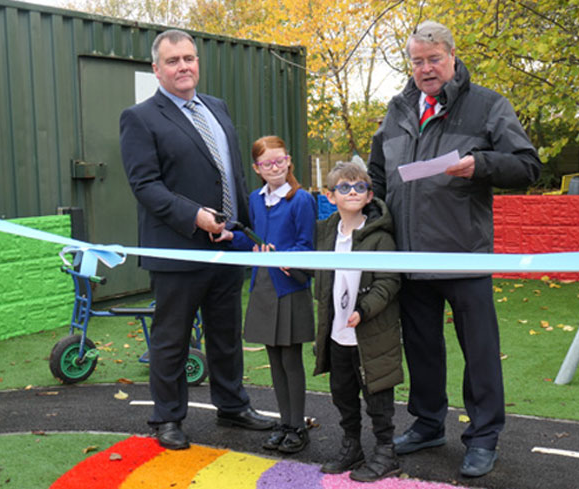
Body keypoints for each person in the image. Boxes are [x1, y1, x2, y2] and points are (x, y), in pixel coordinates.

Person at [367, 20, 541, 477]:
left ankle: (483, 437)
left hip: (463, 253)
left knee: (479, 352)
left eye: (434, 59)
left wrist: (479, 164)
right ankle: (427, 424)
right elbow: (378, 176)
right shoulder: (397, 108)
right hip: (409, 255)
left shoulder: (487, 105)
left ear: (452, 55)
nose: (426, 69)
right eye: (417, 61)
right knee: (422, 349)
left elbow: (528, 166)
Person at [120, 29, 276, 450]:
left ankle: (233, 405)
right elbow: (145, 186)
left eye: (189, 58)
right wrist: (196, 217)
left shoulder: (217, 108)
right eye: (173, 61)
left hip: (226, 246)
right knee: (173, 338)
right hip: (177, 248)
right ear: (157, 69)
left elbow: (232, 173)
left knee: (226, 333)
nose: (183, 66)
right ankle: (167, 418)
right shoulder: (140, 118)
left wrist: (243, 227)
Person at [313, 162, 404, 482]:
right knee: (343, 393)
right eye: (344, 187)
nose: (352, 192)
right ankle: (352, 446)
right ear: (330, 196)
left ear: (369, 196)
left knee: (377, 395)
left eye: (359, 187)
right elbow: (316, 271)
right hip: (337, 333)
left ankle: (385, 451)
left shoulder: (380, 238)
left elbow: (389, 282)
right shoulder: (325, 233)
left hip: (371, 334)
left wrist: (363, 310)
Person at [234, 136, 316, 453]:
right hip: (264, 286)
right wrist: (232, 236)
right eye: (267, 163)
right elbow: (253, 241)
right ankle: (285, 423)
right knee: (274, 358)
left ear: (289, 160)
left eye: (280, 160)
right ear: (257, 168)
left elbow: (306, 246)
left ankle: (297, 427)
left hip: (290, 286)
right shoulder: (255, 199)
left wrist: (285, 257)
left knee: (291, 359)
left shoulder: (301, 200)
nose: (275, 167)